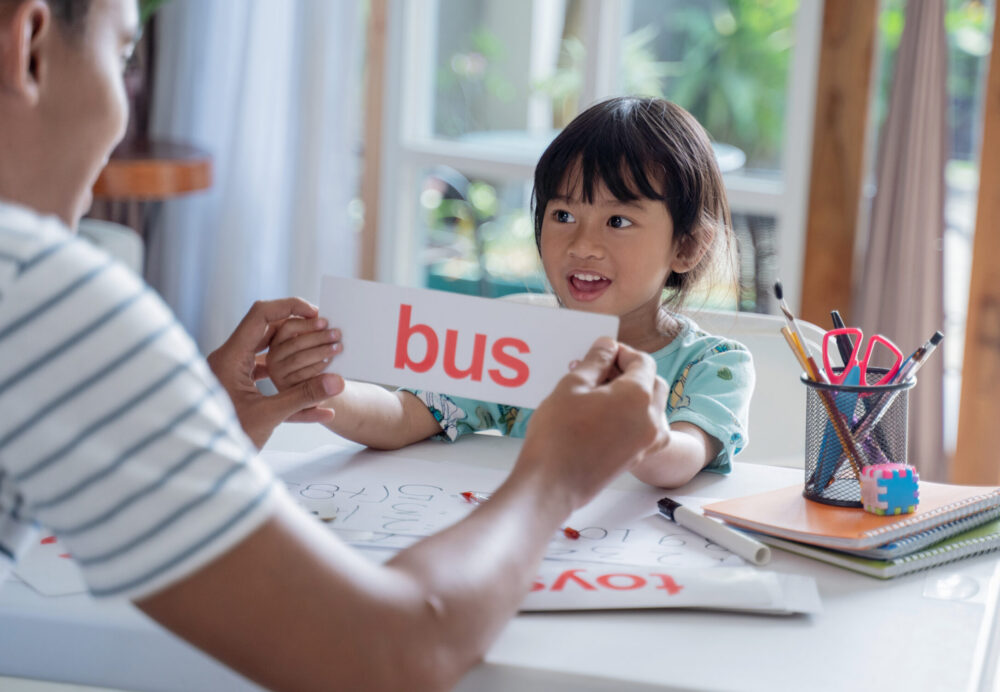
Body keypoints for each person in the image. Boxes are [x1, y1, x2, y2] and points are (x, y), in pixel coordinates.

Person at [0, 1, 672, 690]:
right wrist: (554, 477)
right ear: (30, 46)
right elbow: (385, 654)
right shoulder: (40, 292)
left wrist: (200, 417)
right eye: (123, 56)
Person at [267, 96, 755, 489]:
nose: (583, 245)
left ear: (687, 246)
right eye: (563, 215)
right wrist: (328, 389)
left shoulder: (714, 366)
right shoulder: (517, 345)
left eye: (618, 220)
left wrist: (646, 440)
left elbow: (683, 459)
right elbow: (403, 415)